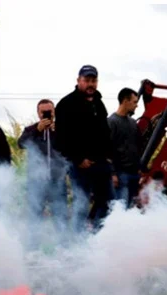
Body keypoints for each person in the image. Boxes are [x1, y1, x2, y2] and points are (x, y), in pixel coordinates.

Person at [54, 65, 114, 232]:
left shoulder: (99, 104)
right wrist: (78, 159)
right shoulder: (67, 104)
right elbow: (61, 138)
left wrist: (108, 157)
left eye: (93, 80)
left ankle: (100, 238)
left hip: (101, 164)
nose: (90, 84)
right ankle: (76, 243)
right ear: (78, 81)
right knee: (82, 203)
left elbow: (106, 133)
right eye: (86, 80)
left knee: (108, 202)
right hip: (80, 165)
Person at [18, 99, 69, 232]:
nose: (47, 115)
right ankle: (32, 248)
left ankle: (63, 248)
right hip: (36, 181)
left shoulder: (62, 129)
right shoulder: (30, 129)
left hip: (57, 180)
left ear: (54, 112)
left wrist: (57, 132)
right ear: (38, 113)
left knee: (60, 216)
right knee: (34, 216)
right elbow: (21, 144)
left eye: (50, 112)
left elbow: (70, 149)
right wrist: (37, 130)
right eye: (43, 112)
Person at [108, 87, 142, 207]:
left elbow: (138, 147)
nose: (136, 105)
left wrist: (139, 168)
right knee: (121, 210)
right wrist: (113, 174)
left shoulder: (133, 123)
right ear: (125, 101)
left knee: (130, 210)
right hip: (121, 174)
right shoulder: (111, 122)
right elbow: (107, 150)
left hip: (133, 174)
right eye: (134, 102)